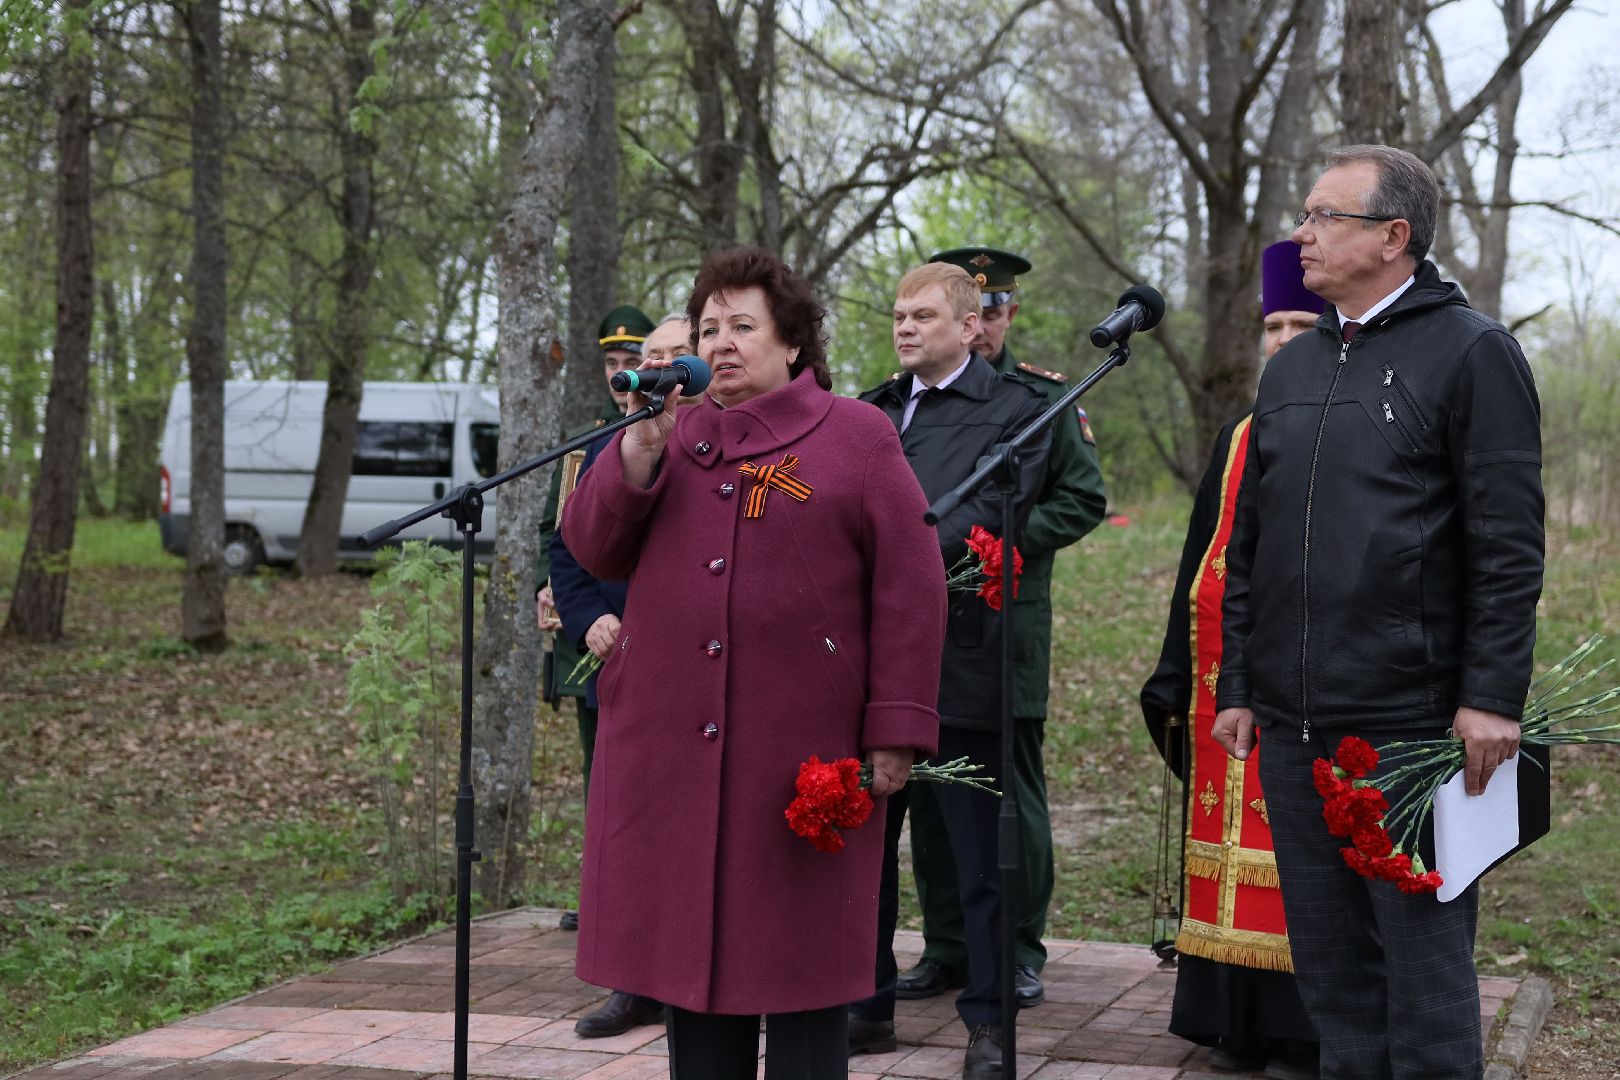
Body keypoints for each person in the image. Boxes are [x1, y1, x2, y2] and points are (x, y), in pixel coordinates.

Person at [559, 247, 947, 1080]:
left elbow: (912, 591)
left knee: (803, 984)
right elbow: (591, 546)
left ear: (793, 343)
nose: (721, 342)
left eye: (743, 325)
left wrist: (896, 729)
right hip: (671, 759)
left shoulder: (857, 436)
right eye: (707, 327)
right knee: (692, 983)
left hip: (800, 761)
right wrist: (636, 455)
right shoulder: (667, 434)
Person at [1213, 145, 1544, 1079]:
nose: (1301, 235)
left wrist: (1490, 695)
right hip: (1291, 721)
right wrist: (1241, 680)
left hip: (1410, 723)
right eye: (1305, 214)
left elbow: (1508, 547)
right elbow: (1252, 543)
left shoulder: (1474, 353)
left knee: (1424, 970)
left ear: (1394, 237)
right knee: (1332, 974)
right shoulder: (1292, 366)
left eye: (1324, 217)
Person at [890, 247, 1108, 1009]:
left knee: (1004, 794)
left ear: (998, 316)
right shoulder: (904, 403)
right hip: (923, 630)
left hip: (1002, 624)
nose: (986, 326)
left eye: (996, 311)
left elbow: (1081, 499)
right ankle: (949, 946)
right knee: (927, 793)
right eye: (907, 314)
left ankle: (1016, 948)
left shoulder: (1040, 402)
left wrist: (1006, 545)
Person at [851, 262, 1051, 1078]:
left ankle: (989, 1025)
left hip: (961, 663)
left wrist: (878, 556)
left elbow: (985, 515)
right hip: (866, 667)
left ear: (971, 326)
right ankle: (864, 1008)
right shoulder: (870, 412)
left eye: (924, 315)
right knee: (863, 853)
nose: (904, 327)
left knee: (979, 861)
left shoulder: (1020, 412)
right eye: (898, 314)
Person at [1140, 241, 1324, 1080]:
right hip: (1222, 674)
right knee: (1223, 842)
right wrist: (1177, 669)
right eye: (1274, 325)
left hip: (1302, 680)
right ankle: (1232, 1023)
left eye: (1302, 321)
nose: (1283, 337)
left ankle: (1299, 1030)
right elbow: (1199, 561)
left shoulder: (1343, 426)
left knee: (1296, 852)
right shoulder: (1238, 433)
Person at [545, 314, 693, 1039]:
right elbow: (567, 549)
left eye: (672, 356)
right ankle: (633, 983)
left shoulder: (734, 448)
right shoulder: (605, 443)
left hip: (702, 673)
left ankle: (697, 983)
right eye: (650, 358)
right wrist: (586, 622)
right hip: (622, 661)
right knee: (629, 831)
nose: (657, 369)